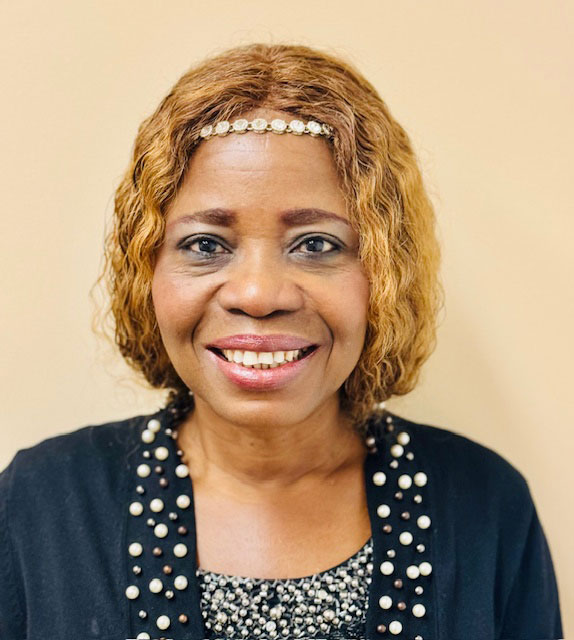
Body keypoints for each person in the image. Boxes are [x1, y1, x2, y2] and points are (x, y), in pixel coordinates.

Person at [0, 43, 563, 640]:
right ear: (147, 271)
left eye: (317, 244)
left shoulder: (487, 508)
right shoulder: (41, 507)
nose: (260, 293)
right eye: (206, 245)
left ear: (386, 274)